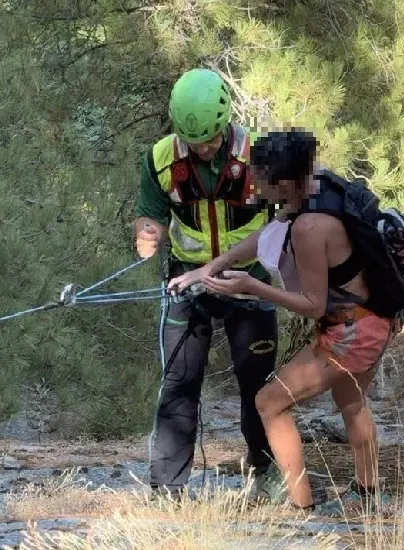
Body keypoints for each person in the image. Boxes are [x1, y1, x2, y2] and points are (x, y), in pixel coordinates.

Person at [168, 129, 399, 514]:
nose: (254, 185)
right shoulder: (317, 183)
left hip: (352, 332)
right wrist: (209, 268)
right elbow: (268, 234)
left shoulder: (311, 228)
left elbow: (311, 304)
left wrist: (251, 286)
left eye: (262, 180)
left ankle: (300, 508)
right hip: (374, 317)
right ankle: (369, 496)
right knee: (352, 402)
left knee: (269, 403)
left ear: (286, 183)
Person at [133, 68, 282, 501]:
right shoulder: (161, 159)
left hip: (248, 280)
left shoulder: (259, 154)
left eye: (211, 138)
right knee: (180, 380)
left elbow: (283, 220)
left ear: (225, 122)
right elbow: (150, 213)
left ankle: (265, 471)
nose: (202, 148)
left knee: (257, 380)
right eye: (193, 140)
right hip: (187, 280)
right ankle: (167, 488)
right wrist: (147, 234)